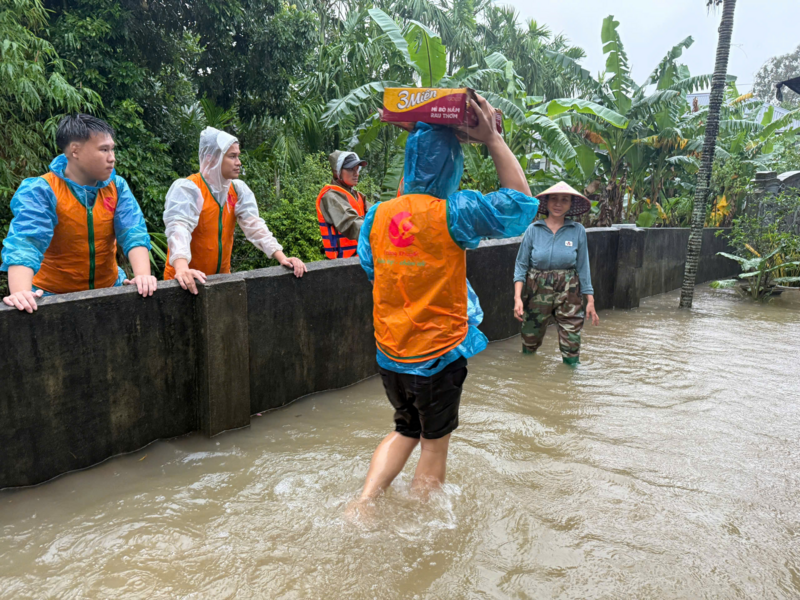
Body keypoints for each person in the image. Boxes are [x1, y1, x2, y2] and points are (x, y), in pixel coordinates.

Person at [351, 95, 539, 510]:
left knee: (405, 429)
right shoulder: (453, 213)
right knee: (434, 446)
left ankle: (362, 503)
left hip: (390, 356)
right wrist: (493, 141)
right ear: (452, 166)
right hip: (436, 356)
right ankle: (423, 529)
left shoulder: (378, 216)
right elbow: (521, 206)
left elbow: (373, 267)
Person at [1, 114, 156, 312]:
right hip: (52, 296)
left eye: (112, 149)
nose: (112, 158)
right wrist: (21, 292)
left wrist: (143, 276)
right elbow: (26, 242)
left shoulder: (116, 187)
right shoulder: (43, 189)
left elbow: (132, 231)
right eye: (104, 149)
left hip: (109, 290)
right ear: (75, 151)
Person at [163, 127, 306, 293]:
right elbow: (179, 229)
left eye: (238, 156)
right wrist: (182, 268)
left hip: (220, 280)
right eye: (232, 156)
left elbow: (254, 225)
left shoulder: (237, 190)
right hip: (184, 280)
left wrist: (281, 257)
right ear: (212, 158)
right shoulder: (190, 189)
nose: (238, 162)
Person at [512, 181, 600, 365]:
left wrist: (590, 301)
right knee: (530, 338)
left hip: (569, 290)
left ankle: (571, 380)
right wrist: (518, 298)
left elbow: (584, 267)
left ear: (570, 205)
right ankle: (527, 373)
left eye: (564, 200)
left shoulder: (577, 231)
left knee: (571, 339)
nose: (558, 204)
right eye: (554, 199)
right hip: (536, 289)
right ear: (547, 202)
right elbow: (521, 265)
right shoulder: (533, 230)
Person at [316, 151, 371, 259]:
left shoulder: (358, 196)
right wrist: (380, 233)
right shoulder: (331, 197)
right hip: (342, 264)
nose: (356, 174)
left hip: (360, 258)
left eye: (357, 169)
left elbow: (376, 213)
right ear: (337, 172)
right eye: (351, 169)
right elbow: (351, 222)